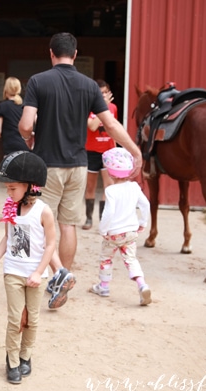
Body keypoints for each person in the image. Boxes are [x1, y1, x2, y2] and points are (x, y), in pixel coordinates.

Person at [19, 32, 142, 272]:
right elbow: (112, 125)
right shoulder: (89, 86)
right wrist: (135, 151)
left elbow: (25, 124)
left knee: (43, 223)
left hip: (47, 166)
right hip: (78, 165)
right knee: (68, 226)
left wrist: (28, 137)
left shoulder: (38, 81)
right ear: (75, 55)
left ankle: (46, 274)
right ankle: (63, 276)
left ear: (51, 53)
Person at [0, 151, 71, 384]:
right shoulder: (10, 207)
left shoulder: (43, 211)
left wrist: (38, 272)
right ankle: (12, 361)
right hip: (12, 271)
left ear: (29, 186)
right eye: (8, 188)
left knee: (32, 319)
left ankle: (26, 356)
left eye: (13, 188)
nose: (9, 193)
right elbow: (8, 239)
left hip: (36, 273)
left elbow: (51, 244)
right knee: (15, 319)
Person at [89, 148, 152, 305]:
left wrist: (103, 229)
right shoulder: (135, 187)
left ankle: (103, 286)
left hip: (114, 234)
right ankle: (142, 284)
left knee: (106, 258)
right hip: (130, 232)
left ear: (110, 173)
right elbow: (145, 204)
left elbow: (108, 213)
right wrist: (143, 222)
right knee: (131, 259)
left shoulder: (111, 190)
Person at [83, 79, 118, 230]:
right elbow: (92, 126)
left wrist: (115, 148)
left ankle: (103, 220)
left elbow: (113, 128)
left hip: (108, 151)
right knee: (90, 186)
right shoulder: (88, 108)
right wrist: (102, 106)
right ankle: (88, 218)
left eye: (105, 93)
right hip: (91, 151)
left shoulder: (113, 107)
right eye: (100, 93)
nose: (103, 95)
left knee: (108, 187)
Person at [0, 77, 30, 156]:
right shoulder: (26, 106)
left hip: (10, 150)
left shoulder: (2, 106)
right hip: (27, 147)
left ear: (5, 89)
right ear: (19, 89)